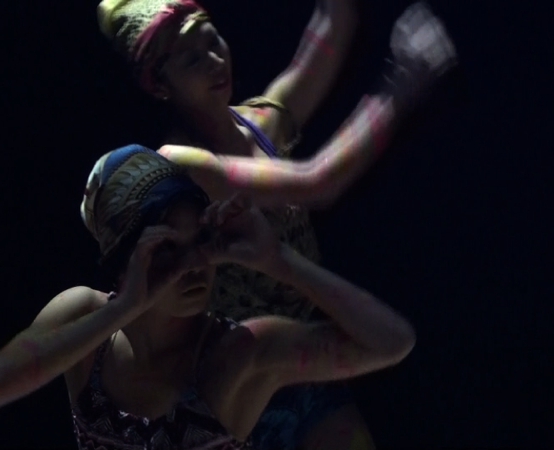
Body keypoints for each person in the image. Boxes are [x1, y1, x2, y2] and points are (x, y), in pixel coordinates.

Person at [97, 2, 456, 446]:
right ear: (160, 84)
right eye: (191, 59)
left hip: (301, 355)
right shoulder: (180, 163)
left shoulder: (261, 124)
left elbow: (329, 31)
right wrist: (399, 87)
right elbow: (317, 182)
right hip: (238, 381)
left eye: (212, 41)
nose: (214, 60)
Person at [0, 145, 416, 449]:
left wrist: (278, 260)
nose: (193, 264)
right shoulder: (85, 318)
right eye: (166, 248)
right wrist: (126, 306)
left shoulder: (234, 351)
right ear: (123, 257)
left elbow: (392, 342)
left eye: (201, 240)